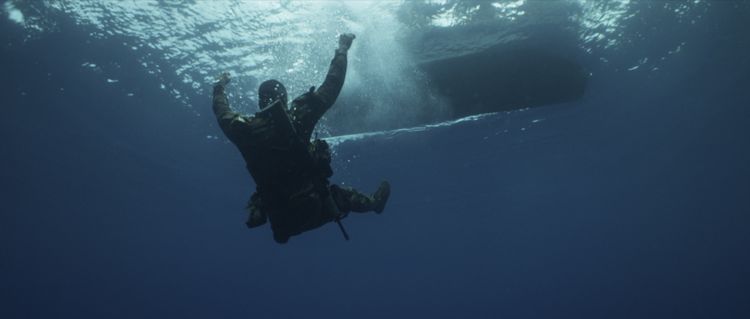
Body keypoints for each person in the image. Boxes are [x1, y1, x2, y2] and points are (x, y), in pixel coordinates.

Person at [212, 33, 390, 244]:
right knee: (343, 196)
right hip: (316, 208)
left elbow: (221, 111)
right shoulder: (297, 119)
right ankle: (374, 204)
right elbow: (332, 85)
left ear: (260, 102)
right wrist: (342, 49)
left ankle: (258, 209)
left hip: (283, 223)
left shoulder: (244, 130)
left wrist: (219, 86)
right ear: (284, 99)